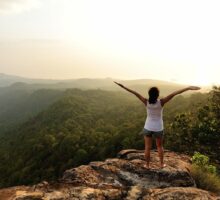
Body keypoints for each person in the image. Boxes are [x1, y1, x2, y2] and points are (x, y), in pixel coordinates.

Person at [114, 81, 200, 169]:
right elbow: (175, 93)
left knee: (147, 147)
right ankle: (161, 164)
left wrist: (123, 87)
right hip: (158, 128)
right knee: (159, 146)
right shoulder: (161, 102)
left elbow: (134, 92)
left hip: (148, 127)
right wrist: (188, 88)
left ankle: (147, 165)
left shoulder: (146, 101)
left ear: (149, 94)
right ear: (157, 95)